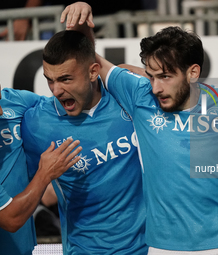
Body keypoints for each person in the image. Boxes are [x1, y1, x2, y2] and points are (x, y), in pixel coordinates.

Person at [60, 2, 218, 254]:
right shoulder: (141, 96)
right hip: (162, 247)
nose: (156, 87)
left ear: (192, 73)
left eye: (165, 76)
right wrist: (81, 22)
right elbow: (95, 60)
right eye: (151, 75)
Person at [21, 29, 147, 254]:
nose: (56, 90)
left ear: (93, 72)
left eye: (66, 79)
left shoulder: (125, 97)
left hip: (146, 249)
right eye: (50, 80)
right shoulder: (37, 124)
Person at [0, 84, 82, 254]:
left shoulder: (15, 100)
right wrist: (45, 174)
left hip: (23, 248)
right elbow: (10, 219)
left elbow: (69, 103)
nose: (1, 111)